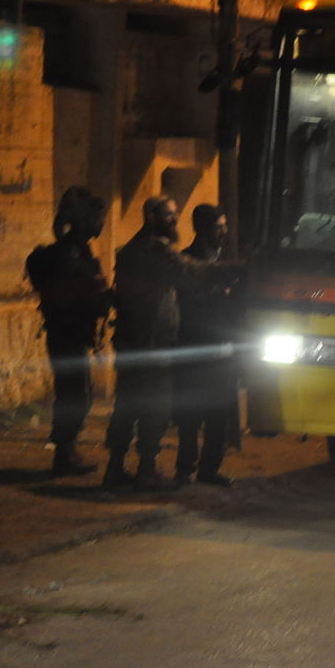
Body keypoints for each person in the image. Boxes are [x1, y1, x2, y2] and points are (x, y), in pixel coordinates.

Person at [105, 196, 240, 492]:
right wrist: (232, 269)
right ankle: (146, 470)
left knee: (127, 405)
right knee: (154, 407)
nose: (175, 220)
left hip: (133, 339)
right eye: (169, 215)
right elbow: (190, 272)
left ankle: (115, 467)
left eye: (176, 214)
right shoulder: (155, 250)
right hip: (151, 342)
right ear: (151, 217)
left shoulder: (131, 249)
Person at [25, 187, 111, 477]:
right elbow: (75, 292)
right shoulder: (70, 254)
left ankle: (66, 450)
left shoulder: (77, 250)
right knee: (75, 395)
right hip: (67, 330)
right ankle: (64, 453)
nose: (101, 223)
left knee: (76, 393)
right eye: (97, 217)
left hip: (71, 330)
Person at [172, 204, 239, 487]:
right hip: (195, 345)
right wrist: (218, 294)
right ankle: (185, 468)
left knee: (219, 413)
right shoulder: (188, 260)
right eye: (218, 226)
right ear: (202, 229)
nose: (223, 232)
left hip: (221, 347)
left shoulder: (223, 259)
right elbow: (189, 302)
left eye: (224, 225)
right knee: (191, 413)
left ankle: (209, 469)